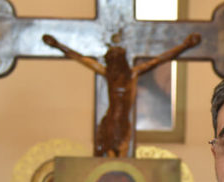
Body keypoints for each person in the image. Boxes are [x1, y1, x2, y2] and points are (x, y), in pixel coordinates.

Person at [42, 33, 200, 157]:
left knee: (122, 153)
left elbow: (159, 60)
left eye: (118, 59)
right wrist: (58, 46)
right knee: (108, 154)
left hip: (123, 122)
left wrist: (185, 46)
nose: (115, 64)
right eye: (112, 60)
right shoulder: (107, 73)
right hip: (111, 120)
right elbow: (82, 59)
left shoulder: (133, 74)